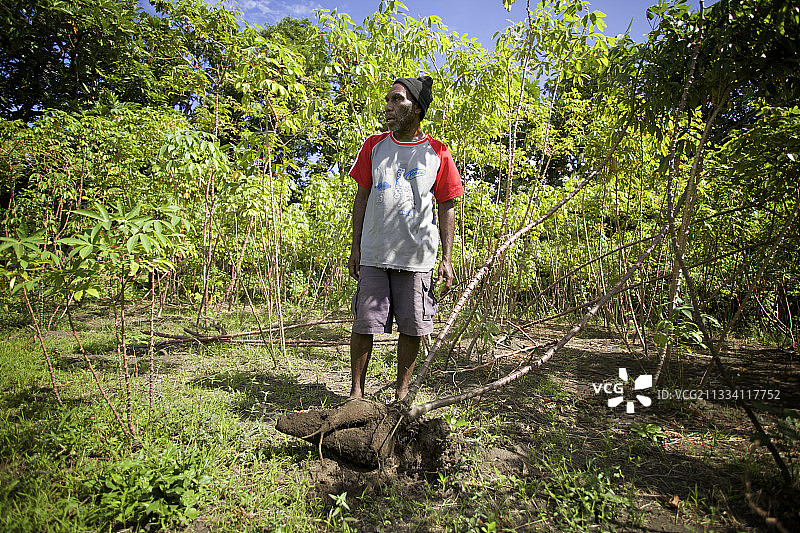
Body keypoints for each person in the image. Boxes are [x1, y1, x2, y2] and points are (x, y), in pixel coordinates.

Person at [347, 76, 465, 402]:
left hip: (417, 257)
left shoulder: (437, 154)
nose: (388, 106)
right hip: (374, 252)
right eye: (388, 99)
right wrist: (356, 246)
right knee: (364, 324)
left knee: (412, 328)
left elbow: (447, 206)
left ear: (416, 108)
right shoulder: (374, 146)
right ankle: (356, 394)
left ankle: (401, 395)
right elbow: (362, 198)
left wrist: (447, 259)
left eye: (397, 100)